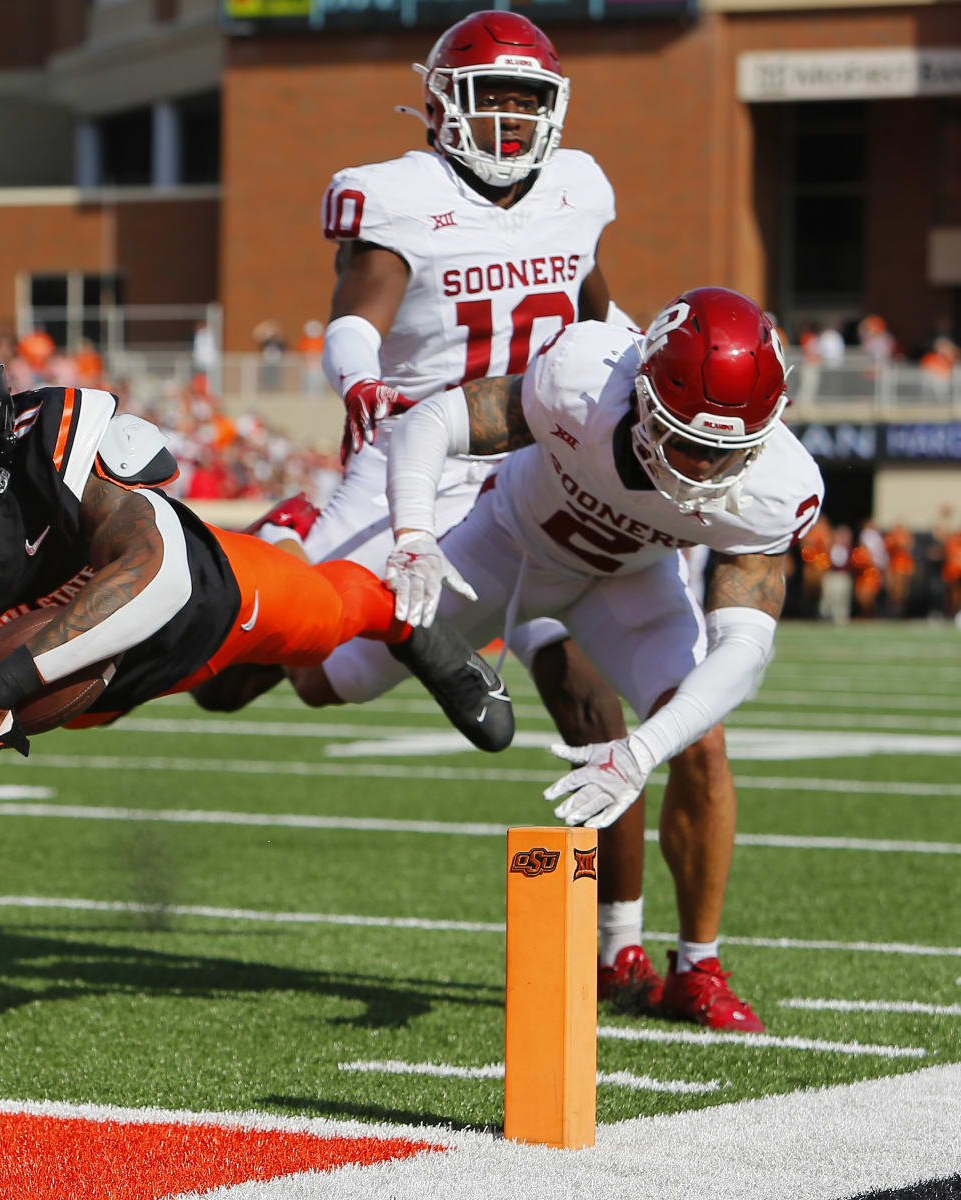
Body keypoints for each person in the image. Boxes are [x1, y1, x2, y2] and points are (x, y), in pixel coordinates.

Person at [194, 10, 669, 1009]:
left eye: (524, 96)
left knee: (591, 704)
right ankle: (271, 550)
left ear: (554, 107)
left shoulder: (579, 190)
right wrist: (360, 382)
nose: (506, 114)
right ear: (441, 103)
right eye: (488, 93)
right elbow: (355, 319)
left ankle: (620, 948)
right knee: (317, 678)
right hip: (420, 455)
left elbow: (593, 314)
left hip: (542, 463)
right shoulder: (399, 199)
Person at [0, 311, 513, 901]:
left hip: (200, 606)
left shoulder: (55, 445)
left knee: (323, 627)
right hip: (96, 692)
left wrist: (0, 681)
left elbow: (160, 573)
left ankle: (395, 615)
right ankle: (281, 536)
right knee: (223, 698)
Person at [297, 287, 824, 1031]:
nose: (705, 469)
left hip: (632, 581)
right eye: (687, 442)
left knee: (699, 742)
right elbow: (435, 422)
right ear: (641, 398)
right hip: (507, 546)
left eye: (727, 450)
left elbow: (745, 650)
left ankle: (695, 965)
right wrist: (413, 534)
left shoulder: (777, 490)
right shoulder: (582, 379)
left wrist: (642, 750)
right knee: (328, 681)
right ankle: (294, 533)